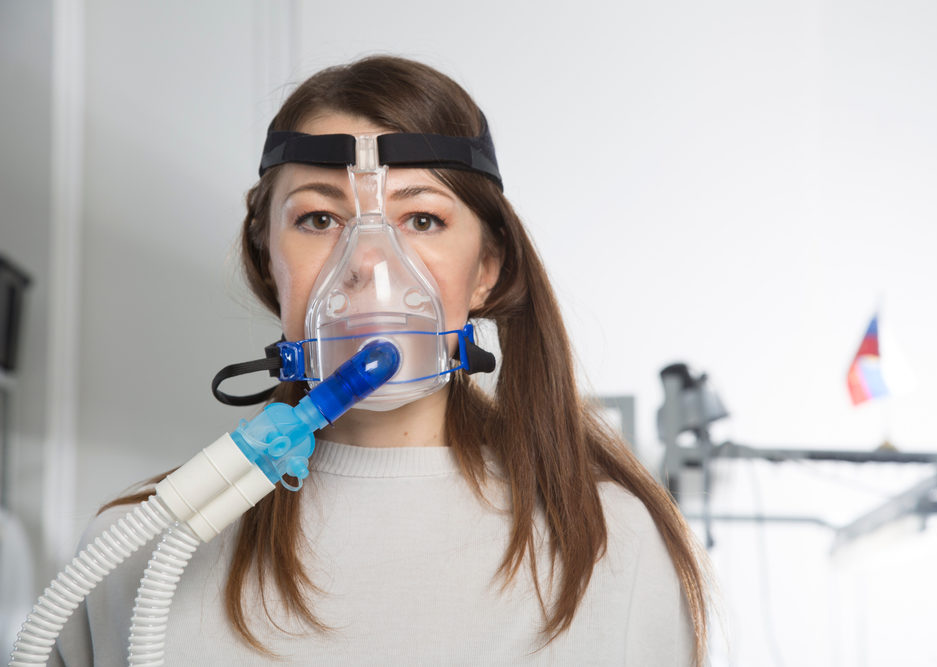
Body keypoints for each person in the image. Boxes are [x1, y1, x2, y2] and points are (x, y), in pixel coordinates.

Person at [52, 55, 708, 666]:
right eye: (317, 218)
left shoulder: (607, 541)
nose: (368, 264)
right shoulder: (133, 548)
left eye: (422, 219)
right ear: (267, 261)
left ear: (485, 268)